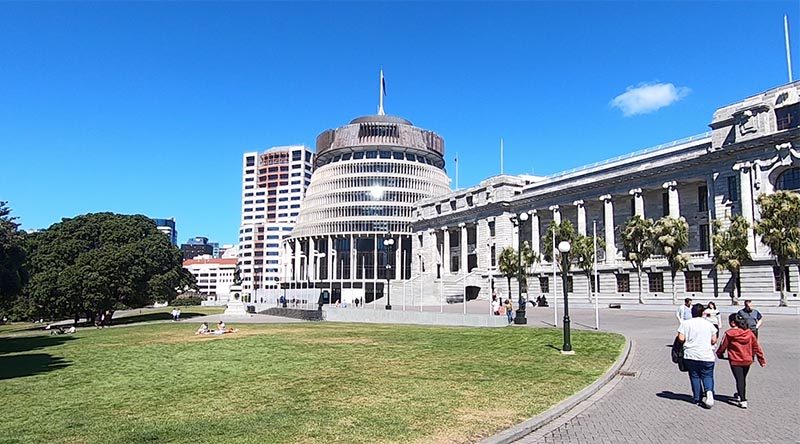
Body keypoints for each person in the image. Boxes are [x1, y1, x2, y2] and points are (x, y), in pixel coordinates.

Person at [716, 313, 767, 409]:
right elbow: (756, 347)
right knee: (742, 378)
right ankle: (740, 393)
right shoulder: (749, 333)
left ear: (732, 323)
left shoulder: (729, 333)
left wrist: (719, 354)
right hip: (747, 359)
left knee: (739, 379)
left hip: (735, 360)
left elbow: (723, 345)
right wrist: (761, 359)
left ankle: (743, 399)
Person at [676, 303, 718, 408]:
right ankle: (709, 393)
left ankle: (697, 398)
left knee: (694, 376)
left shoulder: (686, 323)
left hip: (691, 354)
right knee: (708, 375)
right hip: (706, 354)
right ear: (703, 313)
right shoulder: (709, 324)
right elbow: (714, 340)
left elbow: (681, 338)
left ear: (692, 312)